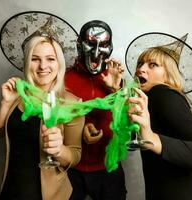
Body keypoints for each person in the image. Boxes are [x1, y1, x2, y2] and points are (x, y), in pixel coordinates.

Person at [125, 33, 192, 200]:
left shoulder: (162, 94)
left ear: (168, 75)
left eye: (153, 65)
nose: (141, 68)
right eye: (140, 63)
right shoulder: (149, 101)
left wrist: (153, 139)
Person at [0, 35, 84, 200]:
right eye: (35, 59)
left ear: (59, 64)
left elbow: (75, 155)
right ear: (27, 63)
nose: (43, 66)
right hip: (10, 190)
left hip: (50, 195)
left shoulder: (72, 104)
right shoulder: (17, 94)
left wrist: (59, 150)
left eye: (50, 59)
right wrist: (5, 103)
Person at [65, 20, 127, 200]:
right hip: (71, 169)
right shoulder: (62, 78)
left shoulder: (116, 77)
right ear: (79, 45)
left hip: (109, 170)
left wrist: (116, 90)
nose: (97, 51)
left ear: (111, 47)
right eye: (91, 44)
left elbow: (127, 131)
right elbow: (51, 122)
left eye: (104, 45)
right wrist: (79, 129)